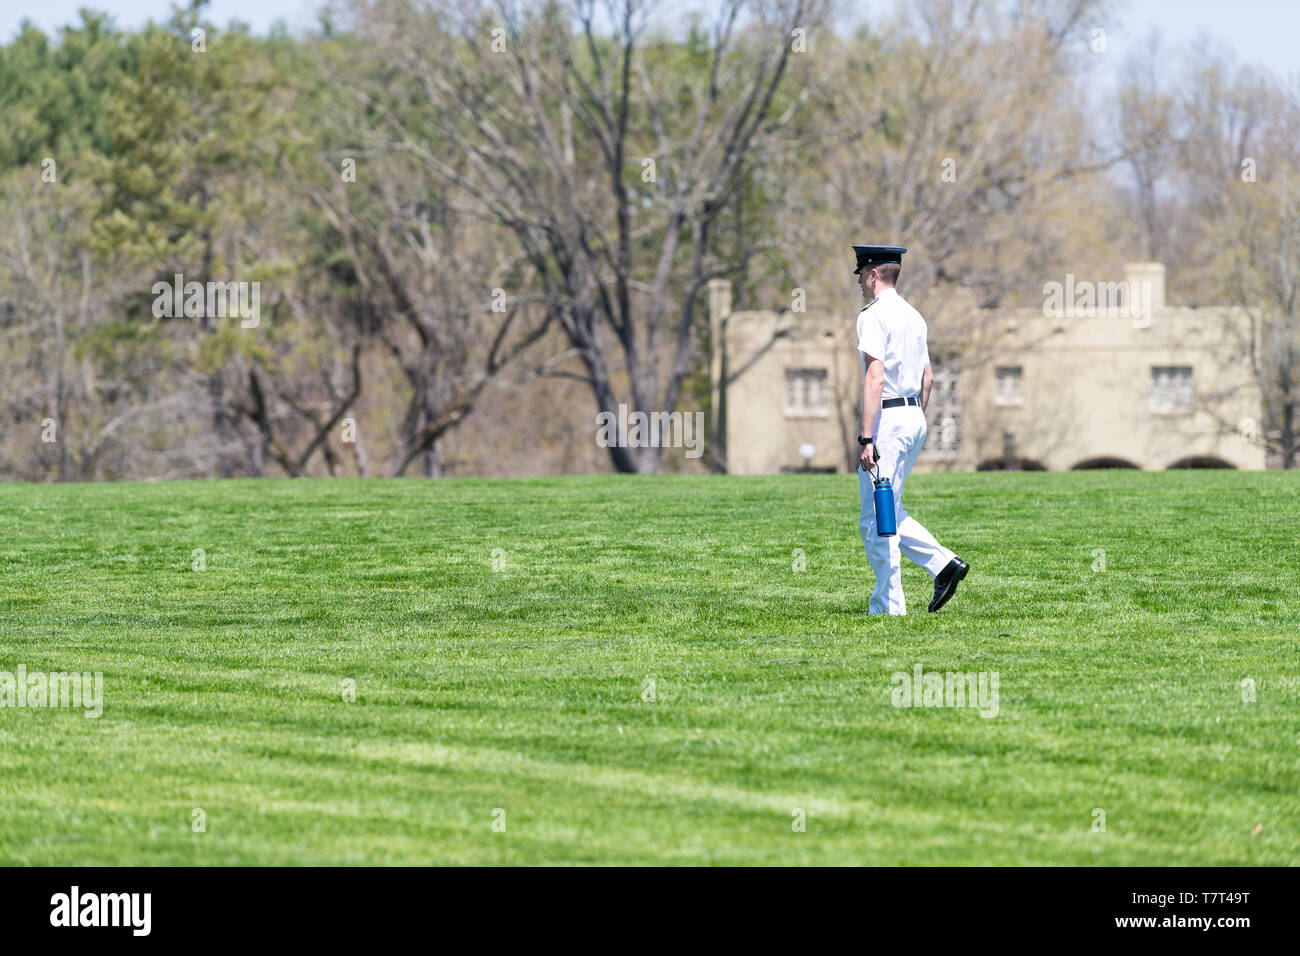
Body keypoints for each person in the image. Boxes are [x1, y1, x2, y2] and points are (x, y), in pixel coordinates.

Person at [852, 244, 968, 614]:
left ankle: (890, 606)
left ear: (873, 274)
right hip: (914, 415)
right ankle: (944, 566)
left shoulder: (872, 316)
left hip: (888, 418)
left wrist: (868, 437)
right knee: (891, 505)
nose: (859, 283)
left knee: (876, 518)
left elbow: (875, 375)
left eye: (860, 275)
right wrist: (914, 420)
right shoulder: (915, 316)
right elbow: (928, 377)